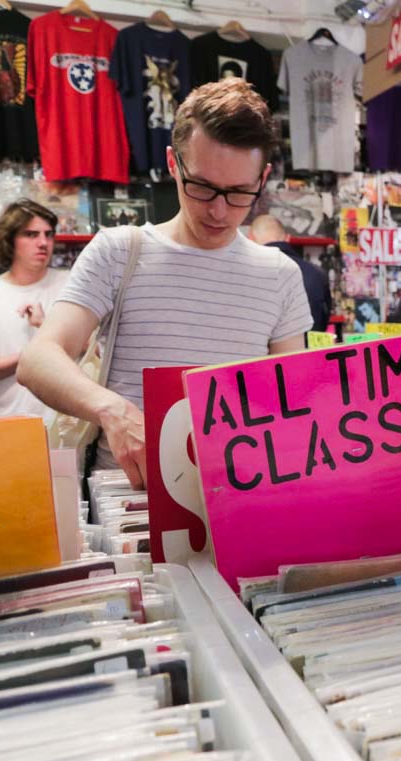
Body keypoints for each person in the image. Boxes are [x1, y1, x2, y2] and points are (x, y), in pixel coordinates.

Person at [18, 79, 312, 489]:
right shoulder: (119, 251)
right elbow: (37, 360)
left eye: (241, 192)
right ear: (174, 164)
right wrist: (111, 410)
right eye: (202, 187)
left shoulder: (280, 274)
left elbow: (289, 396)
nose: (219, 210)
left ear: (262, 179)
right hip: (132, 504)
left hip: (241, 497)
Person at [0, 200, 68, 417]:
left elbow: (98, 350)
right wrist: (31, 355)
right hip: (13, 424)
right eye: (31, 234)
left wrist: (46, 326)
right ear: (10, 240)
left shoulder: (72, 284)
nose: (43, 242)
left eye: (49, 234)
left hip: (73, 427)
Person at [248, 213, 332, 332]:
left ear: (250, 238)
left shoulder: (250, 272)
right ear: (287, 238)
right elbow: (324, 318)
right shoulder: (317, 273)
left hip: (269, 349)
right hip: (311, 347)